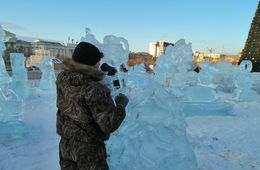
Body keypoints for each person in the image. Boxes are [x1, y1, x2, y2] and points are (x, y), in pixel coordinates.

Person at [56, 42, 128, 170]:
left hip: (66, 143)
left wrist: (100, 76)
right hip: (88, 150)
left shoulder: (62, 78)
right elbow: (109, 124)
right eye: (97, 62)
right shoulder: (94, 89)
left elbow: (81, 88)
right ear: (90, 63)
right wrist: (121, 105)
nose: (99, 64)